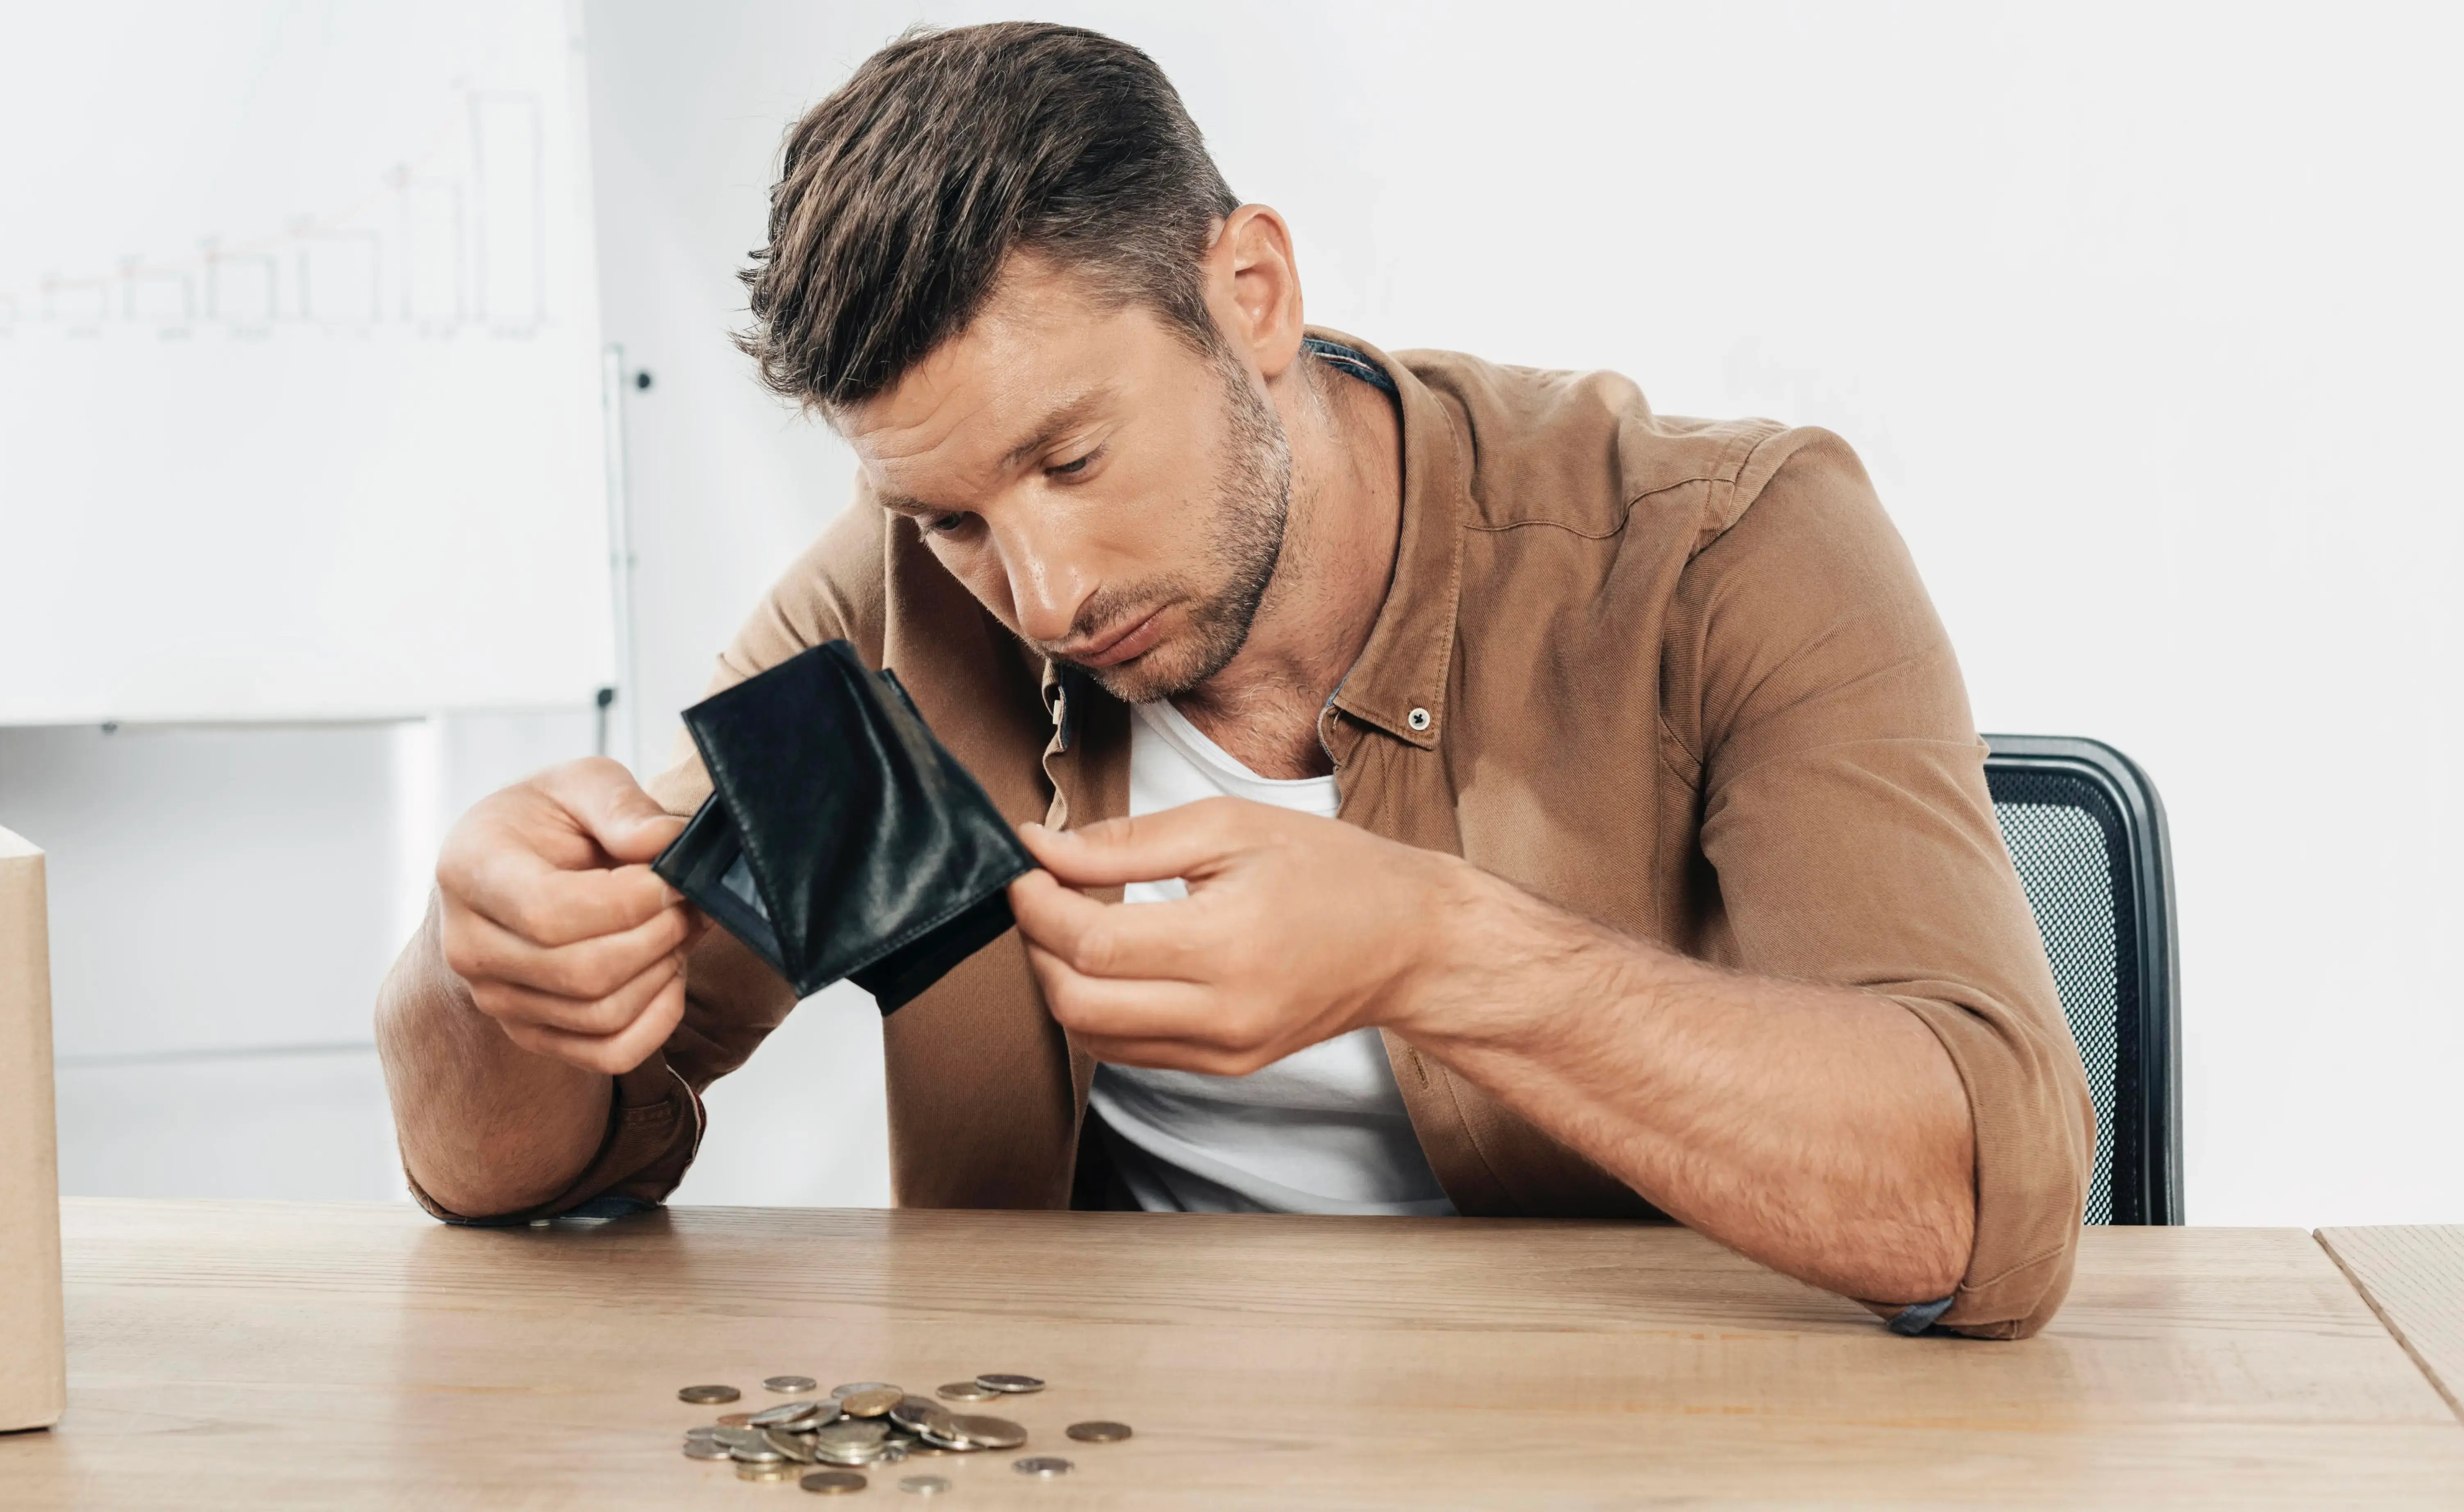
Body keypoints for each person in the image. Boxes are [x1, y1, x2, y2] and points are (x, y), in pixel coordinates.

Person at [375, 21, 2093, 1339]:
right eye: (950, 513)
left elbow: (1987, 1201)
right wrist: (487, 970)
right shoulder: (894, 615)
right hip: (1120, 1438)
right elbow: (538, 1162)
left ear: (1249, 294)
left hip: (1646, 1431)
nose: (1035, 590)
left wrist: (1440, 950)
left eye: (1072, 456)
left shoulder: (1722, 549)